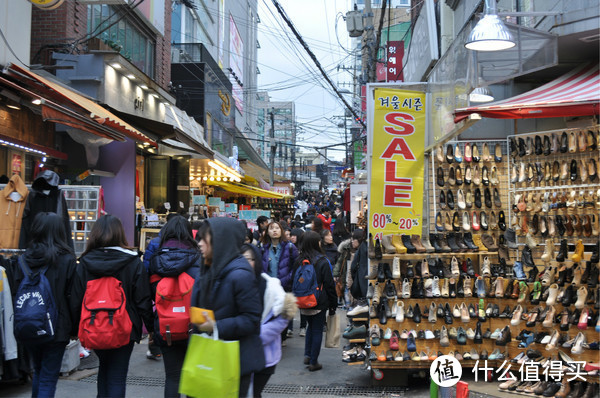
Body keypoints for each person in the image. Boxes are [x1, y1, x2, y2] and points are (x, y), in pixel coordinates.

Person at [71, 215, 154, 398]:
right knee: (117, 374)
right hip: (125, 327)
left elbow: (76, 299)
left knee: (104, 369)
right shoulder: (132, 261)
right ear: (120, 234)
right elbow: (143, 298)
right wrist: (151, 327)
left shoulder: (84, 263)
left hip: (93, 326)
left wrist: (76, 328)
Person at [192, 218, 265, 397]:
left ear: (219, 240)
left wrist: (216, 326)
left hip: (233, 361)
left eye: (204, 239)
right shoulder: (209, 268)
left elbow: (251, 320)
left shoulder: (240, 275)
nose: (199, 244)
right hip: (209, 352)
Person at [6, 212, 77, 398]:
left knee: (38, 371)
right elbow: (72, 297)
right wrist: (74, 328)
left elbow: (15, 293)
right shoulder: (67, 260)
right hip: (57, 327)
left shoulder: (21, 260)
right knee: (47, 377)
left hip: (28, 324)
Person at [148, 216, 201, 398]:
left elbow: (148, 294)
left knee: (172, 376)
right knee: (193, 376)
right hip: (194, 325)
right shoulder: (198, 258)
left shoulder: (156, 260)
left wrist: (150, 327)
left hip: (164, 325)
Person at [240, 244, 297, 398]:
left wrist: (254, 336)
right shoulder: (232, 283)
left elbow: (282, 317)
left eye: (248, 259)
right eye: (239, 259)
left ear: (257, 261)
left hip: (264, 355)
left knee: (253, 392)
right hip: (235, 353)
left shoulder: (270, 286)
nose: (244, 263)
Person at [294, 231, 337, 371]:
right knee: (317, 329)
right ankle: (314, 362)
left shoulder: (299, 261)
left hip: (303, 300)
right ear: (315, 243)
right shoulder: (323, 261)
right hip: (319, 301)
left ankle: (307, 355)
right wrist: (333, 304)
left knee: (310, 327)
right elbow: (330, 285)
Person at [260, 221, 299, 339]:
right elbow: (259, 267)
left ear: (281, 231)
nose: (275, 230)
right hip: (268, 286)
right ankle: (272, 337)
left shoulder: (290, 247)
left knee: (283, 313)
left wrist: (287, 279)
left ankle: (282, 337)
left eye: (277, 228)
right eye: (271, 228)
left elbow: (296, 266)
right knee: (269, 311)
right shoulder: (262, 248)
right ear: (267, 232)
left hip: (285, 285)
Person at [333, 232, 359, 309]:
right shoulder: (346, 250)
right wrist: (336, 274)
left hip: (356, 278)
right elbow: (339, 261)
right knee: (347, 295)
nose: (352, 241)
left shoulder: (361, 251)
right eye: (352, 239)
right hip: (347, 277)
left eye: (354, 239)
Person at [349, 229, 368, 301]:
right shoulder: (363, 248)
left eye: (354, 239)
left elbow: (352, 269)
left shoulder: (359, 252)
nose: (352, 241)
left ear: (359, 239)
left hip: (361, 285)